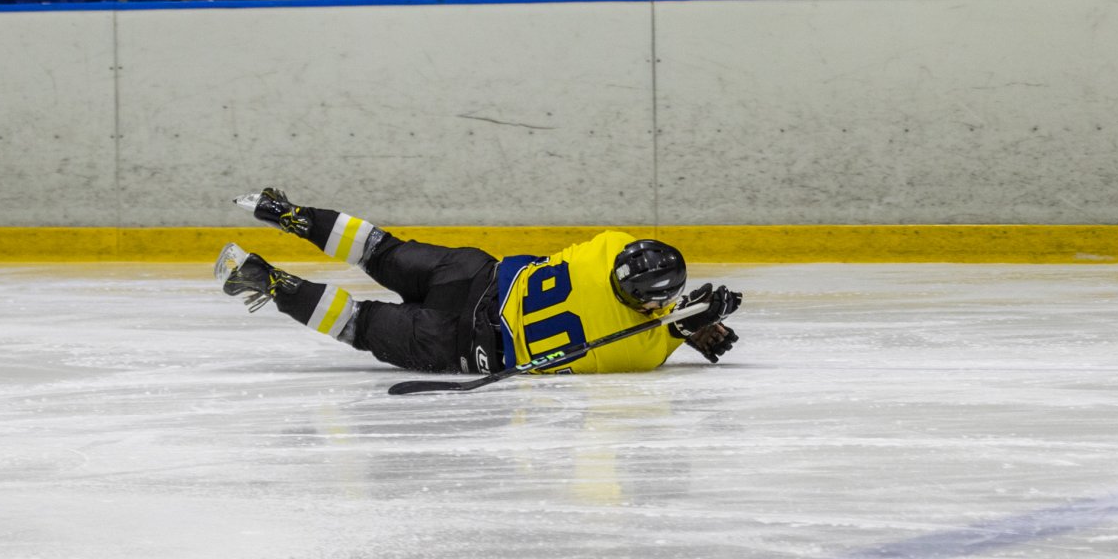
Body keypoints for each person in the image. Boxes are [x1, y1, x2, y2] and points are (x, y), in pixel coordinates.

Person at [215, 188, 743, 375]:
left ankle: (290, 214)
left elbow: (641, 311)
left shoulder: (608, 245)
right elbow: (648, 332)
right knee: (358, 322)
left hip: (473, 274)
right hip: (461, 343)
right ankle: (260, 278)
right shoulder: (640, 352)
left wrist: (682, 317)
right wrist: (684, 328)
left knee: (379, 249)